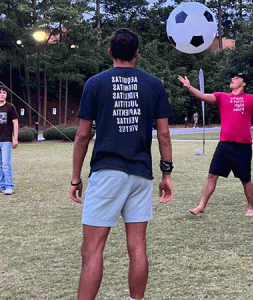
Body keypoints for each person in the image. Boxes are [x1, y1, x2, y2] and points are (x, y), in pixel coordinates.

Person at [69, 28, 174, 300]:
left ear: (110, 52)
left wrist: (75, 178)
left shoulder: (95, 83)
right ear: (137, 53)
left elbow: (82, 135)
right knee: (137, 246)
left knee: (92, 249)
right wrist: (166, 173)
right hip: (141, 175)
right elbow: (163, 133)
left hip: (107, 173)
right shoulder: (155, 84)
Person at [178, 73, 253, 216]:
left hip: (242, 146)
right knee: (212, 176)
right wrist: (189, 87)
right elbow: (202, 96)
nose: (232, 79)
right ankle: (201, 206)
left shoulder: (250, 99)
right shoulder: (222, 97)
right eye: (233, 78)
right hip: (224, 145)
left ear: (243, 84)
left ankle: (251, 208)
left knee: (245, 179)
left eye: (236, 78)